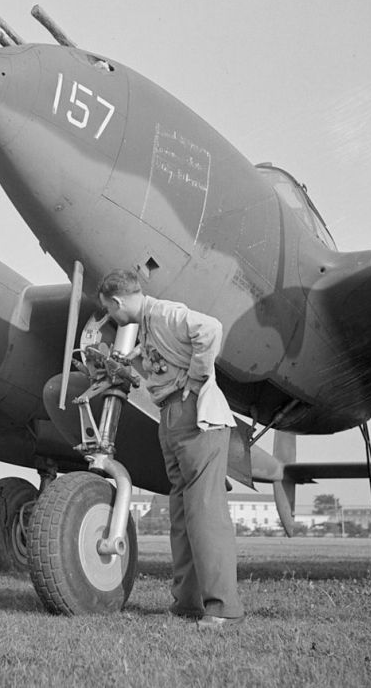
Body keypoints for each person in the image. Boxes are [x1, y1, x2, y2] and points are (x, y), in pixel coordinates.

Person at [96, 268, 244, 630]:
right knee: (182, 514)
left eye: (111, 312)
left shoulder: (162, 313)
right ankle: (188, 603)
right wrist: (125, 367)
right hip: (172, 415)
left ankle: (222, 608)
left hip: (196, 417)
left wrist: (196, 379)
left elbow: (210, 330)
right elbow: (160, 368)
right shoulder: (148, 326)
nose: (113, 318)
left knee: (204, 511)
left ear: (117, 302)